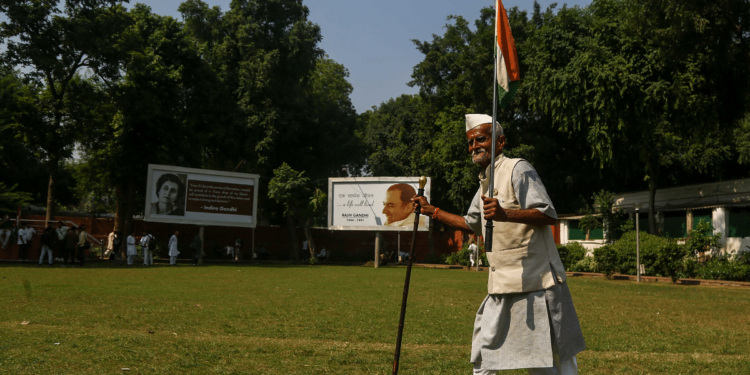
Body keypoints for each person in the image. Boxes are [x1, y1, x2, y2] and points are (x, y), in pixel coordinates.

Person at [412, 114, 586, 375]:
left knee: (550, 361)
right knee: (484, 357)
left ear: (501, 142)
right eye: (470, 143)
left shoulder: (518, 168)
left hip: (536, 283)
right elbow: (472, 223)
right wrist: (432, 212)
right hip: (501, 284)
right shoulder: (486, 180)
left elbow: (548, 213)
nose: (474, 147)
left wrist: (506, 214)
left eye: (481, 139)